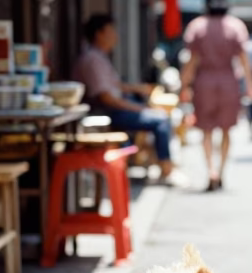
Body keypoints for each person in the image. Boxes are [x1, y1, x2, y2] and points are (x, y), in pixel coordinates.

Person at [73, 13, 175, 182]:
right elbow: (107, 99)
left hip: (114, 107)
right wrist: (142, 108)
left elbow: (115, 85)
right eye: (111, 30)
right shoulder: (93, 60)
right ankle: (167, 169)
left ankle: (162, 165)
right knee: (161, 120)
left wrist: (139, 88)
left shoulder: (99, 57)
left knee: (161, 117)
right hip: (107, 112)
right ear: (99, 34)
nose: (115, 35)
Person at [180, 0, 252, 191]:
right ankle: (221, 170)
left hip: (204, 81)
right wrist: (250, 85)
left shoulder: (197, 26)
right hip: (228, 81)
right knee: (226, 129)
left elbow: (192, 60)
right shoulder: (235, 26)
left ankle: (211, 170)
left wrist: (184, 85)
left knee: (205, 129)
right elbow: (244, 60)